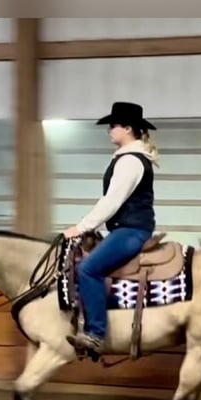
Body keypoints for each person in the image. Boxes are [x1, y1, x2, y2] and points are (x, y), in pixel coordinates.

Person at [63, 101, 160, 355]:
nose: (109, 130)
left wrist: (82, 227)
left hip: (131, 230)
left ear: (128, 128)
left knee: (88, 270)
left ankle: (95, 334)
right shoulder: (129, 158)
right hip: (127, 228)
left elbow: (112, 201)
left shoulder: (130, 161)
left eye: (113, 125)